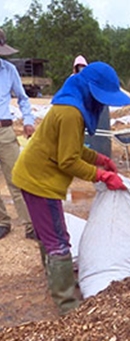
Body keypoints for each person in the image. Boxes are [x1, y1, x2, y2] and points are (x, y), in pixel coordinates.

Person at [12, 61, 130, 315]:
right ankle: (66, 302)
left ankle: (58, 282)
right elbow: (67, 160)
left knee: (49, 236)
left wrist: (100, 159)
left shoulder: (72, 103)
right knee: (58, 240)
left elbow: (72, 148)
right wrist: (101, 176)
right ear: (90, 90)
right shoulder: (71, 113)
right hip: (40, 182)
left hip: (34, 176)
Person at [0, 28, 36, 240]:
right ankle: (2, 222)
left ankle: (31, 225)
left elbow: (23, 98)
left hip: (5, 131)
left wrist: (29, 121)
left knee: (17, 179)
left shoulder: (9, 70)